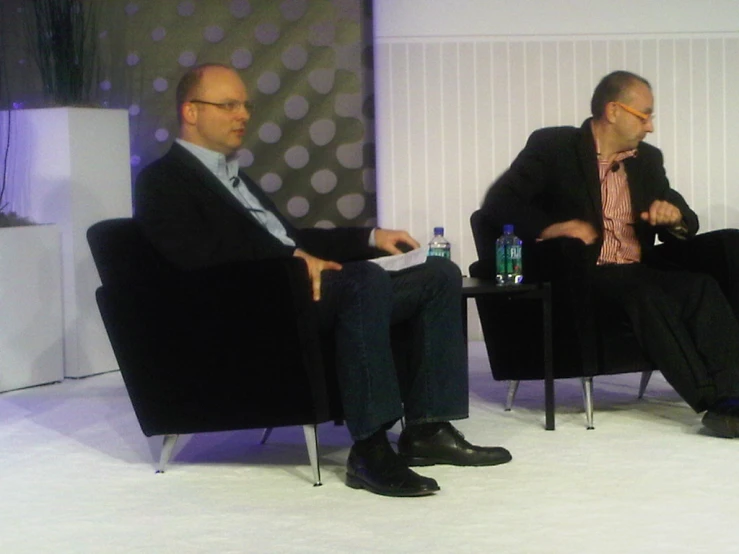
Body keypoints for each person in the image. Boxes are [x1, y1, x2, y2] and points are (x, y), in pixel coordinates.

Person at [135, 62, 511, 497]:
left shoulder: (234, 177)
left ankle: (427, 431)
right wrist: (289, 259)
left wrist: (370, 236)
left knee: (439, 275)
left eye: (245, 105)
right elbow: (195, 256)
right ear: (191, 111)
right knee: (363, 281)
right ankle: (369, 450)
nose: (243, 115)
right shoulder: (162, 181)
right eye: (228, 105)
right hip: (257, 305)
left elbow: (295, 238)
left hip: (297, 287)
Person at [480, 70, 739, 438]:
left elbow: (683, 215)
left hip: (636, 267)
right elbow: (498, 203)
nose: (650, 126)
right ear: (614, 110)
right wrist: (551, 228)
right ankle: (711, 402)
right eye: (644, 115)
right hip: (580, 273)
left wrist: (675, 217)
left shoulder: (646, 160)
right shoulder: (554, 148)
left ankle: (734, 396)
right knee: (644, 294)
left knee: (700, 286)